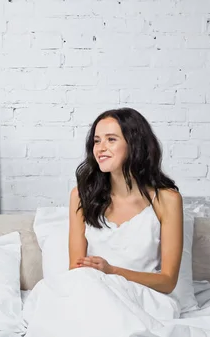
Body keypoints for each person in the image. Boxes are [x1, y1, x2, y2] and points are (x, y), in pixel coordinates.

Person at [68, 107, 184, 295]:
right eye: (97, 141)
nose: (100, 148)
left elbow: (168, 282)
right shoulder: (81, 196)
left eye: (111, 139)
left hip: (144, 298)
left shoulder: (167, 200)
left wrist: (112, 271)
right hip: (94, 295)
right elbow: (76, 269)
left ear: (135, 144)